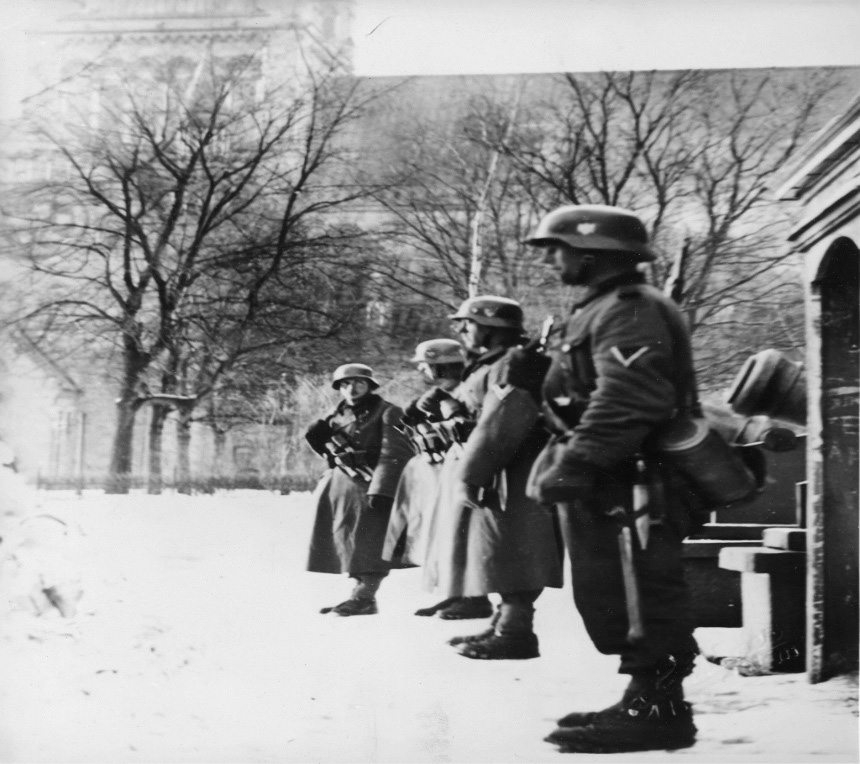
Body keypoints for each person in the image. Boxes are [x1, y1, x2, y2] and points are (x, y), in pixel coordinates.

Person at [516, 204, 700, 752]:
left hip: (635, 478)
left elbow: (628, 398)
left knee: (645, 590)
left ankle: (658, 710)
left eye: (558, 247)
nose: (550, 258)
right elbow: (588, 388)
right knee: (618, 592)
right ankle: (645, 700)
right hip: (616, 477)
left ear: (595, 253)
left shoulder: (629, 309)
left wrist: (576, 464)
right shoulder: (602, 309)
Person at [428, 295, 564, 660]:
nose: (461, 330)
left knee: (513, 544)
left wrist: (474, 472)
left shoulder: (514, 363)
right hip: (498, 463)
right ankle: (505, 622)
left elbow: (504, 420)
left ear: (491, 327)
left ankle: (516, 631)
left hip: (513, 467)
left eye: (467, 322)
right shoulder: (493, 363)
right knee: (497, 545)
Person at [383, 339, 492, 620]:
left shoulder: (467, 390)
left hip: (463, 465)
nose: (422, 370)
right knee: (445, 534)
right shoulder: (439, 393)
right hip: (439, 469)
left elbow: (472, 428)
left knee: (463, 533)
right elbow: (406, 428)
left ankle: (474, 598)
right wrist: (417, 415)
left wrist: (446, 408)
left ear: (438, 366)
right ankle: (455, 594)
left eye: (425, 365)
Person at [305, 363, 413, 616]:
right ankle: (358, 595)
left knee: (370, 542)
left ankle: (365, 596)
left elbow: (396, 452)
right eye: (345, 384)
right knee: (349, 541)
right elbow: (331, 452)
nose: (351, 389)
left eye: (359, 383)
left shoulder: (389, 412)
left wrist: (383, 489)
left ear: (370, 386)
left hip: (371, 483)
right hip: (343, 484)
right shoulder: (336, 414)